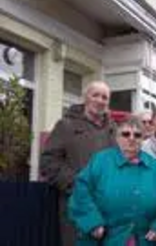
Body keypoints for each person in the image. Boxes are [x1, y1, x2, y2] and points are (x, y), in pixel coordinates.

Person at [68, 116, 156, 245]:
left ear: (143, 139)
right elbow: (81, 191)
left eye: (137, 135)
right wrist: (92, 223)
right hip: (105, 240)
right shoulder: (100, 161)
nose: (131, 138)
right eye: (125, 134)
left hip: (144, 240)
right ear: (117, 137)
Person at [40, 81, 115, 246]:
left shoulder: (113, 130)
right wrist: (77, 184)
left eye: (105, 97)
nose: (100, 100)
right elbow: (48, 161)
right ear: (85, 98)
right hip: (76, 205)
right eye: (95, 95)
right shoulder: (66, 125)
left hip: (107, 207)